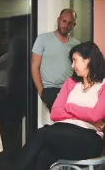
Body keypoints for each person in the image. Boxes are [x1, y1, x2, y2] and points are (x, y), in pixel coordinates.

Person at [13, 41, 105, 170]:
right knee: (44, 156)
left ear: (87, 60)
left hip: (89, 138)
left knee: (42, 134)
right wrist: (85, 114)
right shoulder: (70, 83)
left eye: (75, 60)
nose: (72, 66)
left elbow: (96, 115)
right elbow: (55, 113)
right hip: (62, 132)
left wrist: (68, 107)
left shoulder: (103, 85)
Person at [31, 8, 80, 112]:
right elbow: (34, 66)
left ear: (73, 25)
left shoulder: (76, 44)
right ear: (58, 20)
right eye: (64, 21)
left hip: (70, 89)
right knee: (62, 119)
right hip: (50, 90)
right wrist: (41, 91)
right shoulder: (42, 39)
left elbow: (78, 68)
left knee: (72, 122)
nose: (66, 25)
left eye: (70, 23)